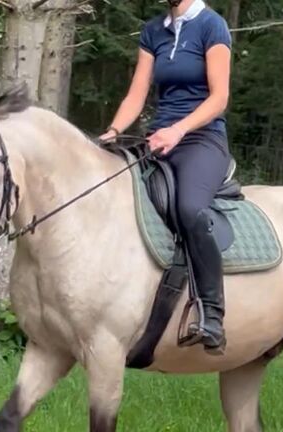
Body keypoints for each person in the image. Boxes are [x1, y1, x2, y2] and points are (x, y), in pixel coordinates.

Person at [99, 0, 232, 353]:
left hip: (203, 139)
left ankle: (212, 314)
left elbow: (219, 98)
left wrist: (179, 130)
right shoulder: (153, 31)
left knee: (189, 209)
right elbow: (136, 95)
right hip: (158, 139)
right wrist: (112, 132)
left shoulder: (212, 25)